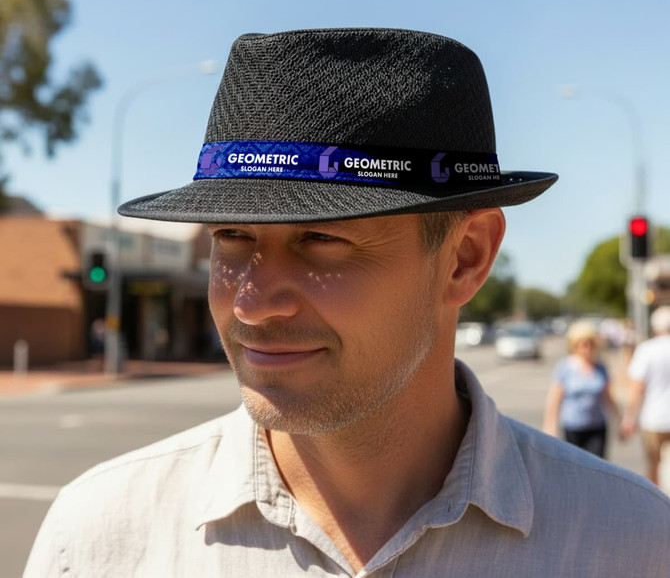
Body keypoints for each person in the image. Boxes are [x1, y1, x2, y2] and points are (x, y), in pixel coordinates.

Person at [24, 29, 669, 576]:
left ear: (466, 257)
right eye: (232, 237)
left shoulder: (628, 543)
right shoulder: (99, 537)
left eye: (321, 240)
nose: (253, 303)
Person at [542, 320, 621, 458]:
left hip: (597, 426)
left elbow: (608, 397)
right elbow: (554, 400)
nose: (588, 348)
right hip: (573, 426)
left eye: (591, 344)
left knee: (597, 465)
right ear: (574, 345)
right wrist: (550, 427)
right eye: (584, 344)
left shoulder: (600, 368)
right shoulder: (565, 368)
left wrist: (619, 420)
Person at [622, 305, 670, 487]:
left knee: (653, 465)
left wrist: (628, 417)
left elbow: (636, 388)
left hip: (653, 419)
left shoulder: (647, 349)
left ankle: (658, 507)